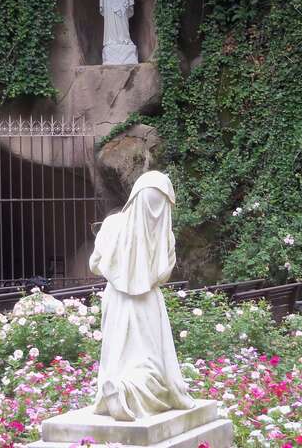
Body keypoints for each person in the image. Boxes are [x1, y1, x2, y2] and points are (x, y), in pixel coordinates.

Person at [89, 171, 196, 420]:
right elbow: (163, 275)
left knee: (117, 355)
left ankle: (118, 389)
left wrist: (118, 268)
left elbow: (95, 265)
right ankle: (129, 391)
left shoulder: (113, 224)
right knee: (151, 361)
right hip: (148, 303)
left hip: (116, 300)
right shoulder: (163, 235)